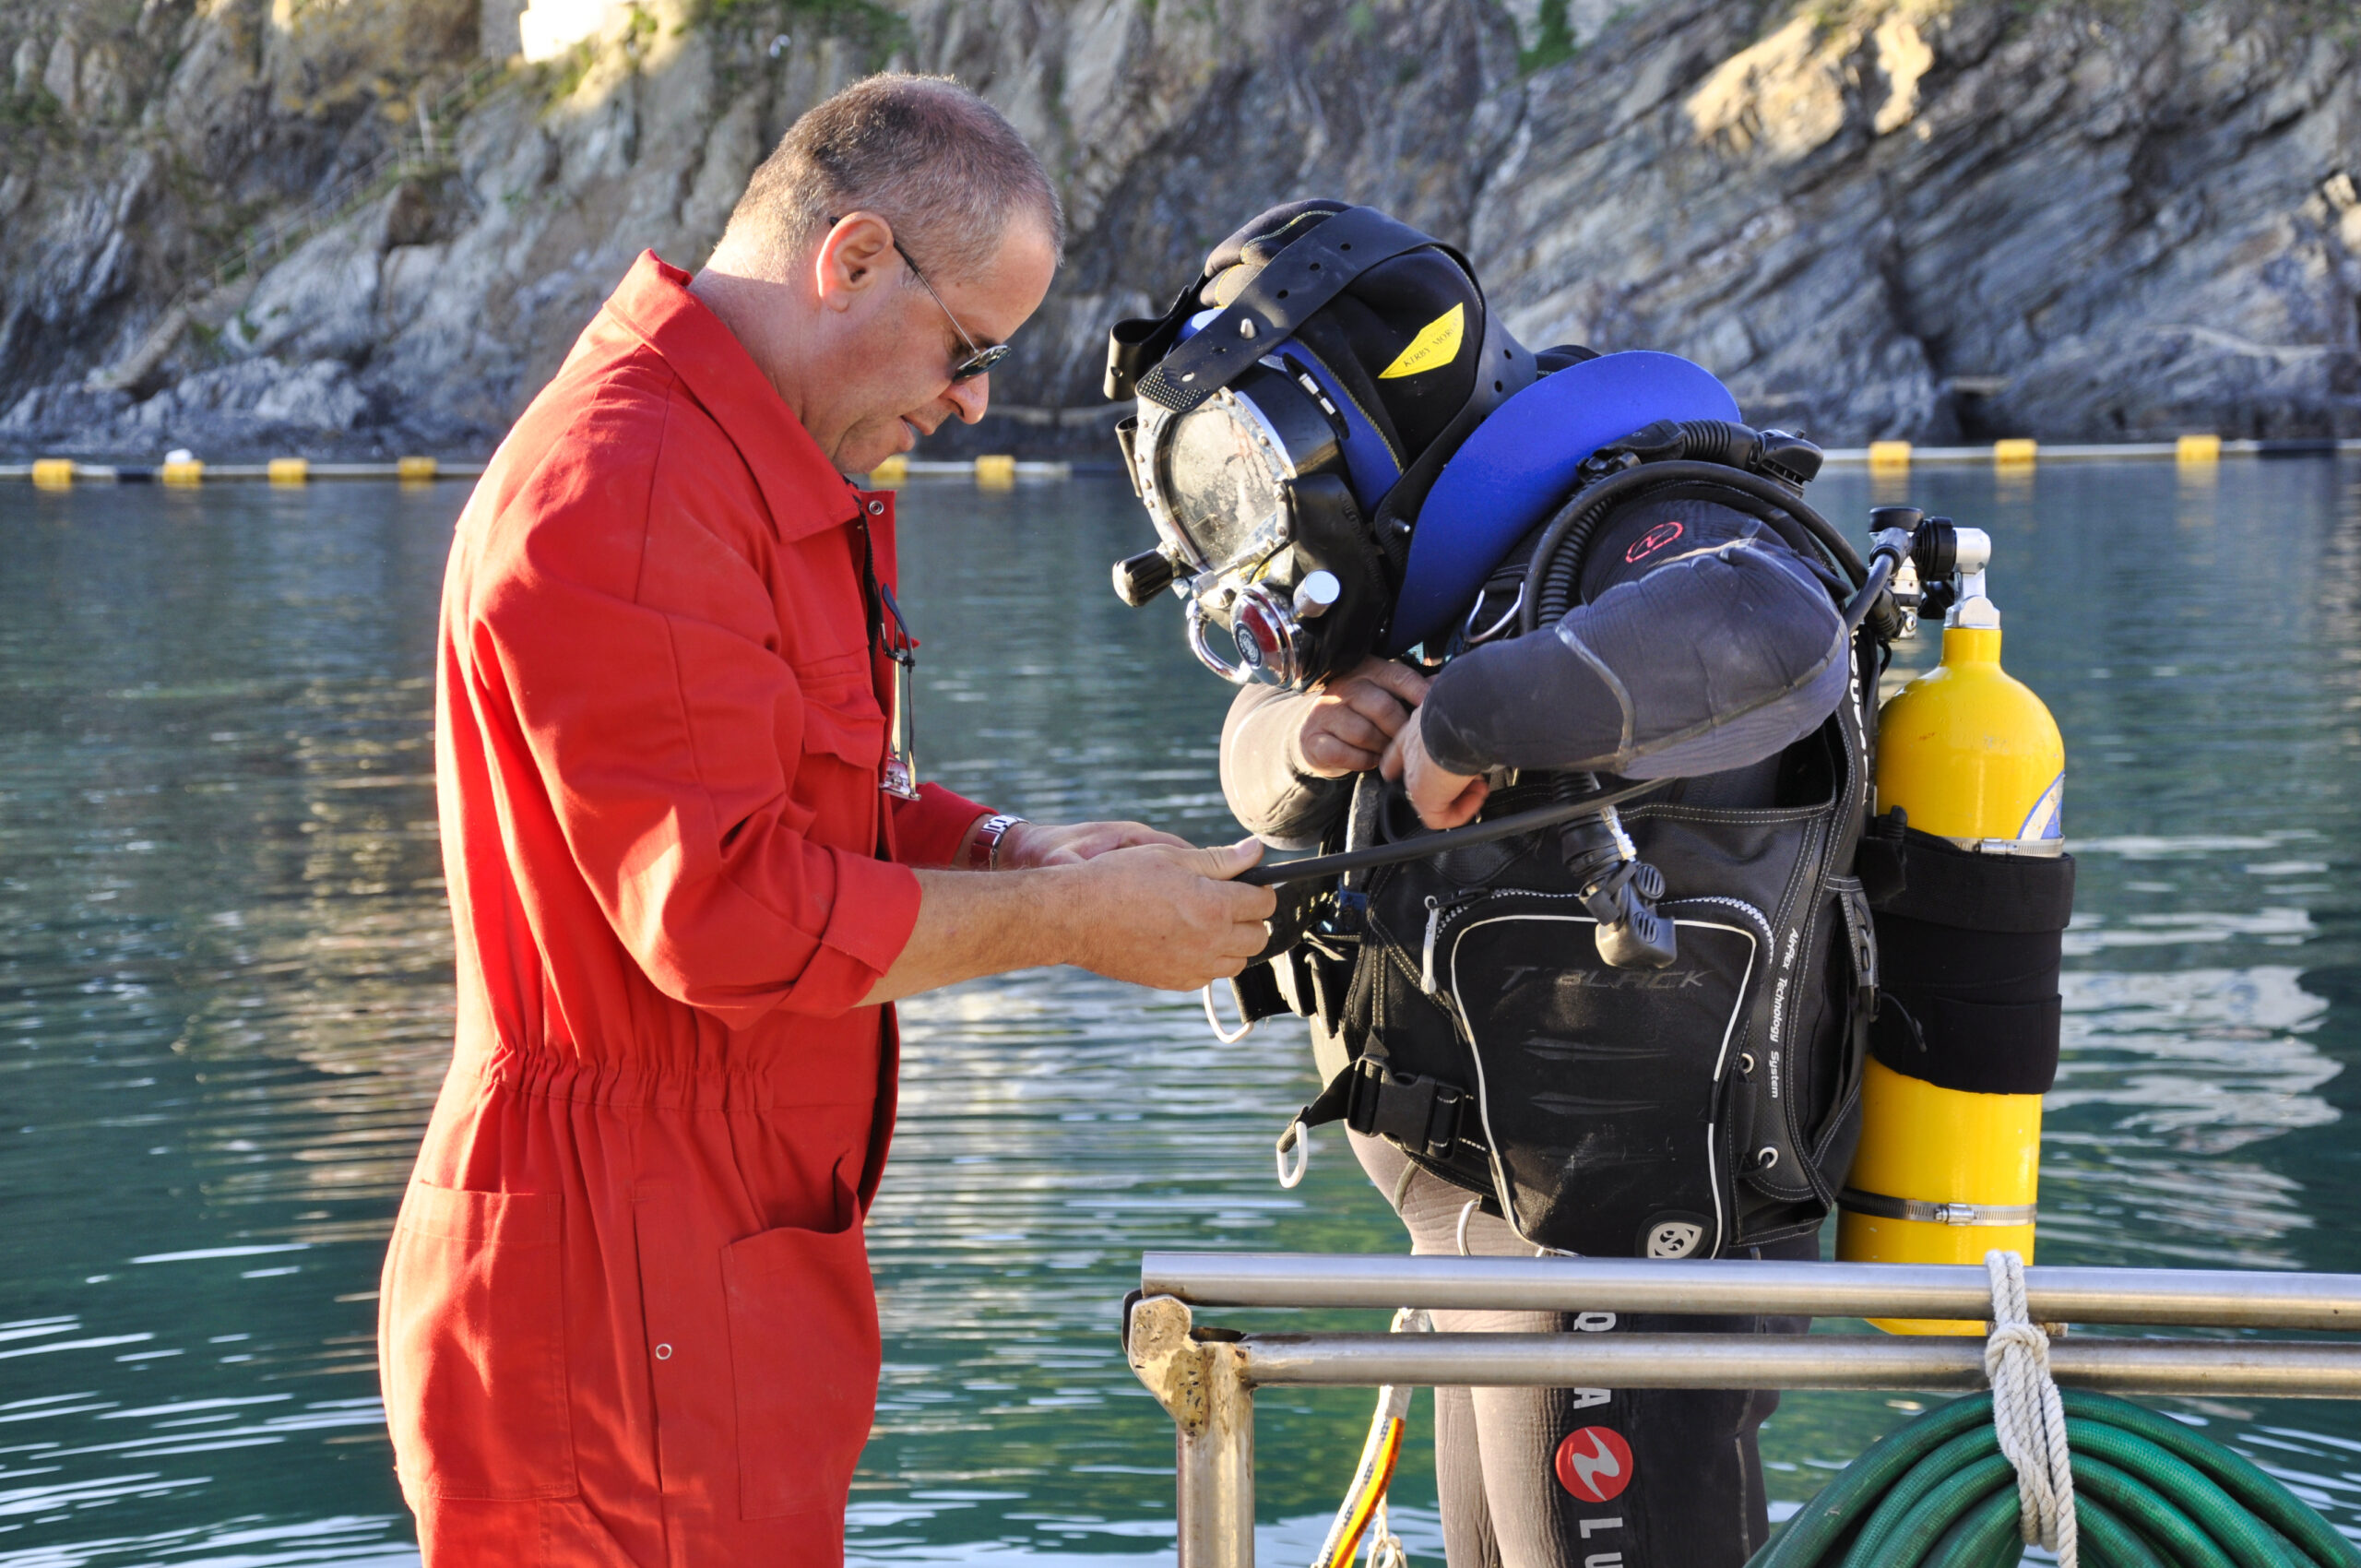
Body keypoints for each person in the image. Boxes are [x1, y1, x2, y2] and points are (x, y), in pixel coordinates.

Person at [378, 75, 1275, 1567]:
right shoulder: (633, 484)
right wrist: (1072, 925)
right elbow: (725, 913)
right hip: (615, 1296)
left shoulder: (742, 466)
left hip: (711, 1270)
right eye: (970, 347)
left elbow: (818, 796)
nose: (978, 399)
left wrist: (1018, 853)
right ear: (850, 259)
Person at [1104, 200, 1882, 1567]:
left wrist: (1462, 725)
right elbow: (1257, 758)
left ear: (1341, 427)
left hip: (1631, 1267)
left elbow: (1772, 625)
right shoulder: (1447, 592)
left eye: (1243, 484)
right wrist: (1310, 729)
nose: (1249, 548)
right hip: (1485, 1246)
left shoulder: (1650, 522)